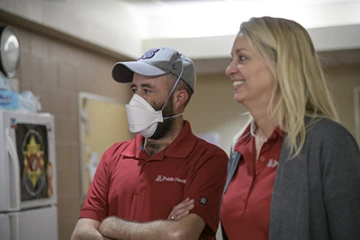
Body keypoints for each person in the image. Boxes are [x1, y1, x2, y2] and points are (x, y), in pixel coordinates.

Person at [219, 16, 360, 240]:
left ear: (281, 64)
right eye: (232, 59)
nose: (229, 70)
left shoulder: (328, 142)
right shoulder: (238, 147)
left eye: (242, 58)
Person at [70, 47, 228, 240]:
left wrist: (109, 224)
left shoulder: (208, 160)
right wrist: (160, 231)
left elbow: (179, 235)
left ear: (179, 98)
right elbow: (80, 233)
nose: (136, 99)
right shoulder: (113, 156)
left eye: (147, 90)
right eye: (134, 90)